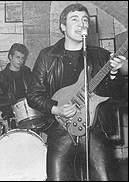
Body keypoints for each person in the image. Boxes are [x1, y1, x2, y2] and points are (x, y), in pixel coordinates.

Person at [26, 3, 127, 181]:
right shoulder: (47, 56)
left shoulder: (101, 56)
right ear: (63, 26)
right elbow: (33, 95)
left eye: (85, 20)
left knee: (105, 178)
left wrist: (113, 73)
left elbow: (117, 95)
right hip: (60, 128)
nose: (81, 24)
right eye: (75, 19)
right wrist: (56, 109)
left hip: (94, 129)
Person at [0, 43, 44, 131]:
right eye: (17, 57)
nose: (20, 61)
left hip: (30, 113)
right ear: (10, 57)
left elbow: (35, 90)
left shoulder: (27, 72)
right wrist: (13, 112)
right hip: (12, 117)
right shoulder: (0, 77)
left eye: (22, 58)